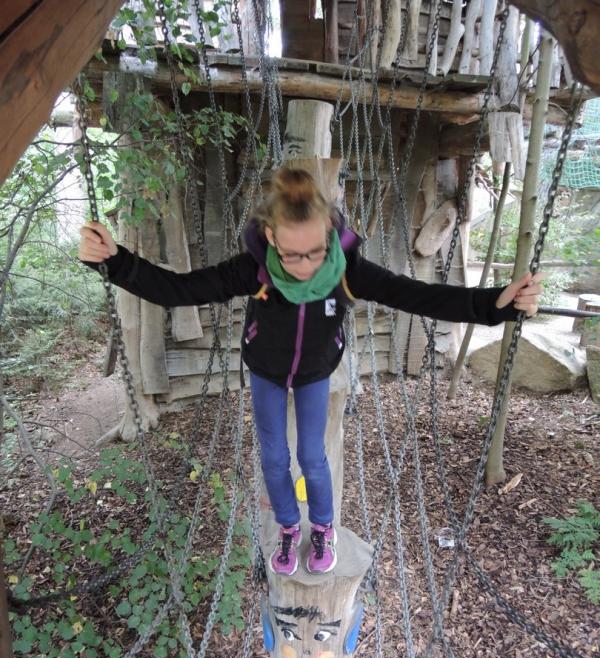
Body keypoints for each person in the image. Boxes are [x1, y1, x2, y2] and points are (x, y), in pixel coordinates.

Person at [79, 166, 542, 578]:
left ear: (329, 236)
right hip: (266, 369)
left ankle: (322, 528)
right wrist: (114, 261)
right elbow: (179, 289)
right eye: (292, 256)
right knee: (273, 456)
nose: (304, 268)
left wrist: (494, 305)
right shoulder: (254, 269)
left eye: (315, 253)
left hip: (316, 370)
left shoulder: (346, 269)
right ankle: (287, 527)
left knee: (312, 456)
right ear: (271, 238)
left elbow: (417, 295)